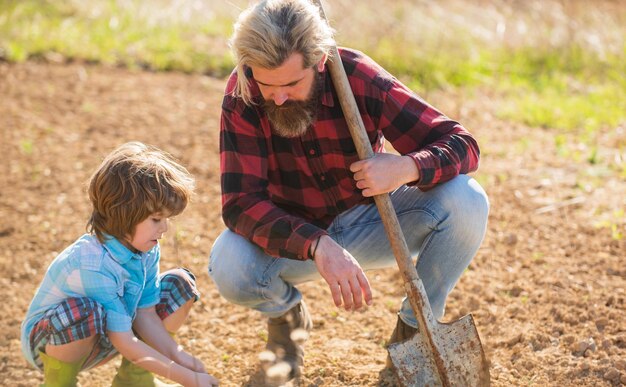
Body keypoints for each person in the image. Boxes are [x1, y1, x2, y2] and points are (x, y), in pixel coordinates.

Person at [209, 0, 489, 379]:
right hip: (296, 239)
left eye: (291, 83)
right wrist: (317, 245)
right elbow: (241, 204)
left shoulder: (356, 76)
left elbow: (462, 144)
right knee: (229, 263)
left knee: (467, 200)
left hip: (373, 222)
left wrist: (405, 168)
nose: (277, 97)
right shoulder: (243, 92)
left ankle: (413, 334)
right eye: (267, 83)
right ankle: (286, 327)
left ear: (320, 60)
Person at [21, 142, 219, 387]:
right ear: (123, 215)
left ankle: (134, 381)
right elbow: (124, 341)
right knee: (84, 310)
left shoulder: (146, 249)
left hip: (105, 335)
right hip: (51, 344)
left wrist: (179, 356)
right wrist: (188, 378)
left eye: (166, 219)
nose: (165, 228)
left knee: (179, 284)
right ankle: (59, 383)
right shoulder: (93, 264)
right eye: (157, 219)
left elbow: (146, 313)